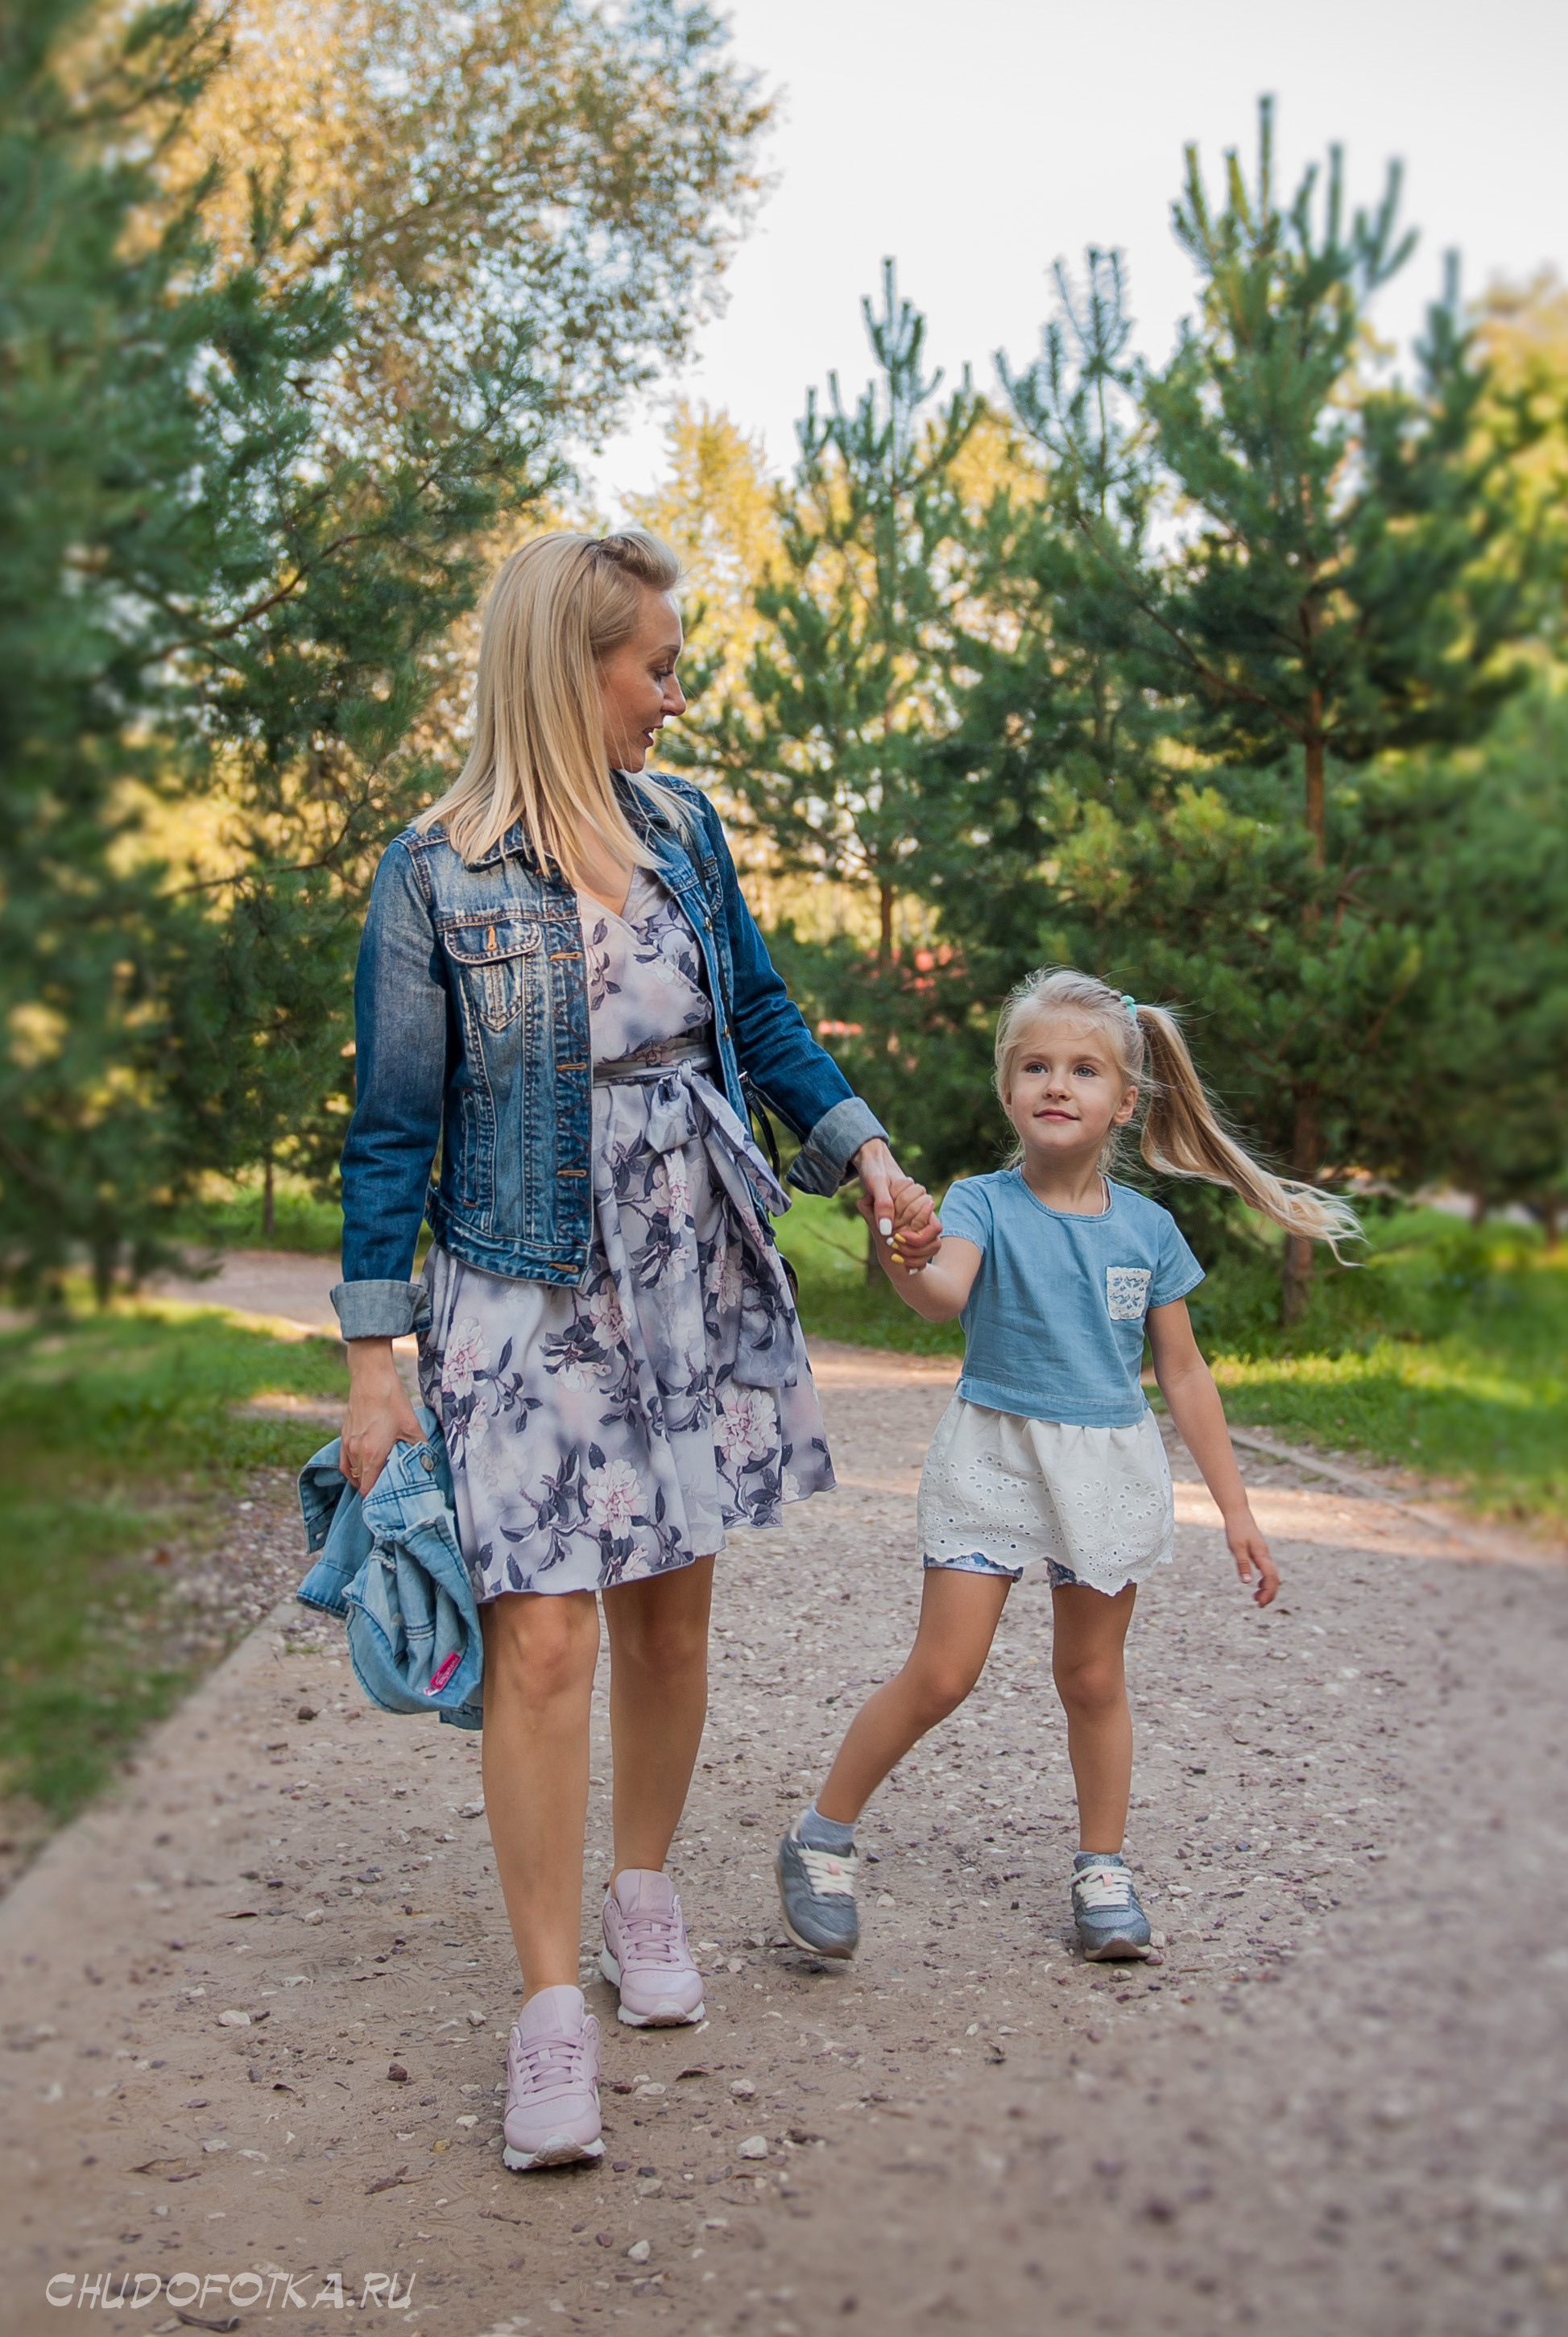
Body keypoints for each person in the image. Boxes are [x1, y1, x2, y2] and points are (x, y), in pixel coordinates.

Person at [332, 528, 936, 2170]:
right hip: (517, 1284)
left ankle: (643, 1885)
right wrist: (373, 1351)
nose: (675, 695)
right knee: (540, 1643)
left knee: (671, 1609)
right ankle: (546, 2011)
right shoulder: (431, 873)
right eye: (656, 665)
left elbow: (760, 1012)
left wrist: (865, 1151)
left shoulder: (681, 828)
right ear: (570, 666)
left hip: (688, 1254)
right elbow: (392, 1128)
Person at [776, 967, 1359, 1965]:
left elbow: (1183, 1374)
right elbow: (942, 1298)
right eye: (1036, 1066)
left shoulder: (1149, 1231)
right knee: (944, 1672)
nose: (1058, 1084)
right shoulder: (979, 1204)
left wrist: (1238, 1511)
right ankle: (820, 1838)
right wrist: (901, 1246)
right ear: (1008, 1090)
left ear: (1123, 1102)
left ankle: (1103, 1868)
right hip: (994, 1455)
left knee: (1091, 1676)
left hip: (1106, 1466)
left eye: (1084, 1070)